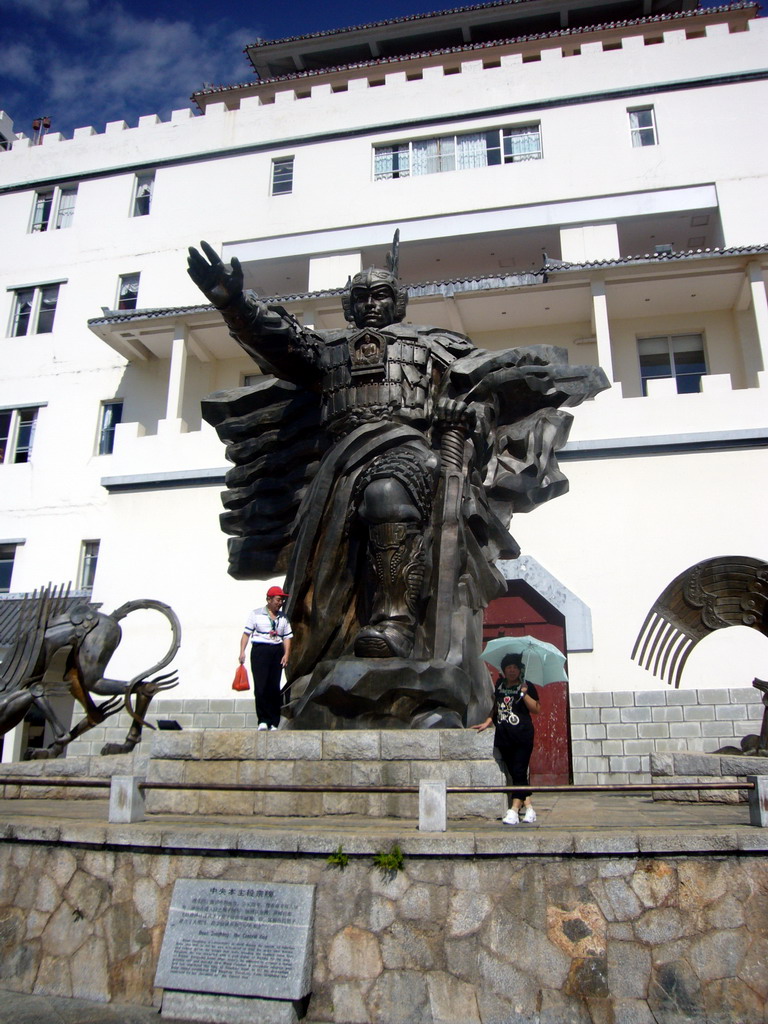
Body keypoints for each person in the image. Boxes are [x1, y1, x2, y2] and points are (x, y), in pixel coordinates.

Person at [191, 235, 607, 727]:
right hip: (337, 467)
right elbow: (278, 339)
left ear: (399, 302)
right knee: (325, 582)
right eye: (361, 296)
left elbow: (480, 392)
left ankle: (396, 622)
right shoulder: (324, 350)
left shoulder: (434, 345)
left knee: (387, 494)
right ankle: (322, 658)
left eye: (381, 295)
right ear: (347, 305)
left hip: (410, 450)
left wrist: (464, 408)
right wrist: (231, 300)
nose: (371, 304)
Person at [472, 653, 540, 824]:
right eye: (508, 667)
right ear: (504, 670)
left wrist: (524, 695)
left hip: (522, 735)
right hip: (504, 735)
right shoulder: (500, 685)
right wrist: (488, 721)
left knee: (519, 770)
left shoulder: (526, 686)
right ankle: (529, 808)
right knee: (516, 773)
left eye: (515, 667)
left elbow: (537, 709)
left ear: (519, 670)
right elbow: (496, 706)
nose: (512, 670)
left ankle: (514, 810)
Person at [239, 586, 292, 730]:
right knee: (261, 686)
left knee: (274, 687)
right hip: (260, 651)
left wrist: (286, 654)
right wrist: (242, 651)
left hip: (276, 651)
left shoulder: (283, 617)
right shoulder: (256, 614)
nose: (280, 602)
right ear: (269, 599)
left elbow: (287, 637)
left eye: (282, 600)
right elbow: (246, 634)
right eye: (278, 599)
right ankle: (263, 719)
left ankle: (274, 721)